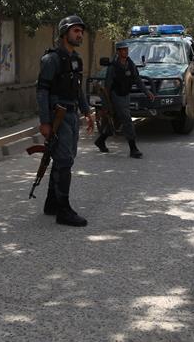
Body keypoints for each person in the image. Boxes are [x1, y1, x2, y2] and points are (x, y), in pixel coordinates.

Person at [36, 14, 95, 227]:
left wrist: (87, 112)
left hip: (72, 115)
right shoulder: (51, 59)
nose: (80, 34)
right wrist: (45, 122)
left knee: (65, 159)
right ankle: (63, 210)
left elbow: (78, 89)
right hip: (57, 115)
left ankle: (52, 202)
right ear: (64, 34)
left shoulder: (76, 59)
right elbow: (42, 91)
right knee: (64, 161)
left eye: (81, 31)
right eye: (75, 31)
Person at [94, 41, 155, 158]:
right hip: (115, 96)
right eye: (123, 50)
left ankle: (101, 141)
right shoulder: (113, 67)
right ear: (118, 51)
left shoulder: (130, 64)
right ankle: (133, 149)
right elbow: (106, 87)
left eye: (126, 50)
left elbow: (137, 80)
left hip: (125, 95)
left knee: (117, 121)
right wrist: (106, 105)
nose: (125, 52)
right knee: (127, 120)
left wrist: (147, 92)